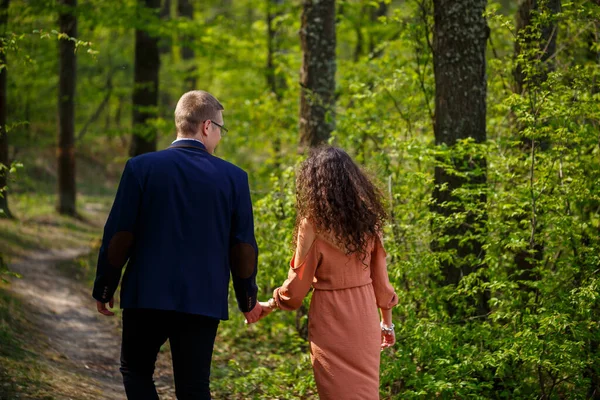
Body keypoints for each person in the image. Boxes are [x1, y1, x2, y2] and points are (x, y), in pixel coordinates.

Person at [92, 90, 262, 399]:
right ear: (207, 126)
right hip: (203, 298)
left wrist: (105, 286)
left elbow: (119, 234)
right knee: (194, 386)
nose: (220, 136)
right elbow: (243, 247)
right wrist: (247, 297)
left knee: (136, 371)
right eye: (221, 129)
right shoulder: (234, 178)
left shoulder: (141, 168)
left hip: (146, 294)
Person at [258, 146, 398, 400]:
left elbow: (297, 287)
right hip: (364, 315)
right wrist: (386, 323)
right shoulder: (368, 218)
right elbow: (381, 280)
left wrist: (272, 302)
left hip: (330, 318)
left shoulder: (312, 222)